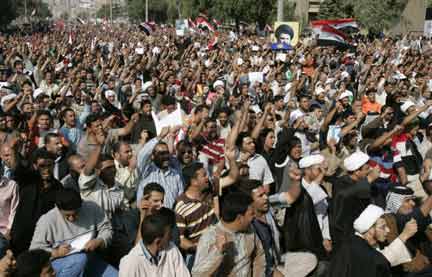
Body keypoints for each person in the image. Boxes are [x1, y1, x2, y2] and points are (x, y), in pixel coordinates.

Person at [30, 188, 117, 277]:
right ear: (58, 208)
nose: (72, 218)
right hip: (59, 264)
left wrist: (100, 240)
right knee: (79, 259)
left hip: (89, 259)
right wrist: (56, 252)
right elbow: (34, 251)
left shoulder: (92, 208)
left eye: (75, 214)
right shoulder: (47, 220)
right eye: (67, 215)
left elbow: (106, 228)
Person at [328, 204, 416, 277]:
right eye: (382, 227)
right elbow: (379, 263)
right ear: (370, 230)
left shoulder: (360, 242)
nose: (388, 230)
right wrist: (404, 235)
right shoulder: (354, 246)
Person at [191, 191, 265, 276]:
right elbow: (197, 274)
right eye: (251, 214)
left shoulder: (249, 229)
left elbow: (259, 258)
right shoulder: (210, 236)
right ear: (239, 218)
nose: (254, 216)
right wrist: (217, 252)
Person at [119, 213, 190, 277]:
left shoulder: (172, 249)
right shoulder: (130, 263)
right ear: (158, 242)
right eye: (168, 236)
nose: (171, 238)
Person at [175, 162, 216, 269]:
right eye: (204, 175)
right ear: (194, 181)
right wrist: (202, 248)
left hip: (217, 248)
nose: (208, 178)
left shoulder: (209, 191)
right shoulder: (181, 207)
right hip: (197, 257)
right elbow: (181, 240)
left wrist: (230, 159)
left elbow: (232, 178)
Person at [383, 186, 432, 275]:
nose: (413, 203)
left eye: (412, 200)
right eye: (407, 200)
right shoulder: (388, 220)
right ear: (395, 203)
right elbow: (415, 217)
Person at [136, 127, 184, 208]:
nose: (165, 156)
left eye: (166, 153)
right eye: (161, 153)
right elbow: (142, 155)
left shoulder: (176, 175)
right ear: (153, 156)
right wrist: (160, 137)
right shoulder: (146, 171)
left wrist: (172, 136)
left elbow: (181, 199)